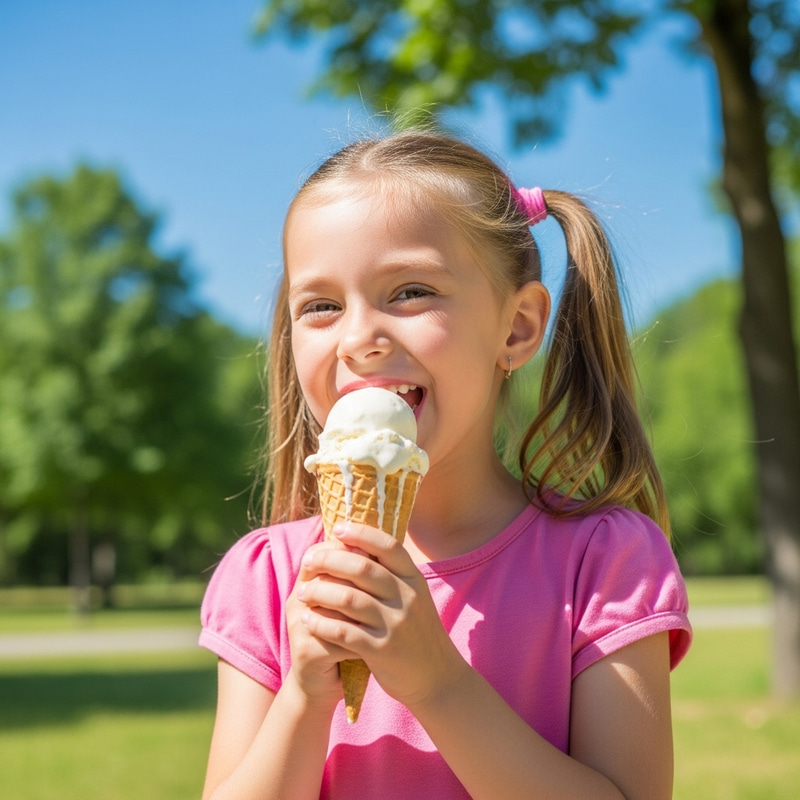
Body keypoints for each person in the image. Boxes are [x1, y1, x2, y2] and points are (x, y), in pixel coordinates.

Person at [199, 129, 692, 800]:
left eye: (409, 292)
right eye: (320, 306)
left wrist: (436, 680)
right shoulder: (268, 579)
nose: (358, 339)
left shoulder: (606, 565)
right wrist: (303, 697)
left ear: (516, 328)